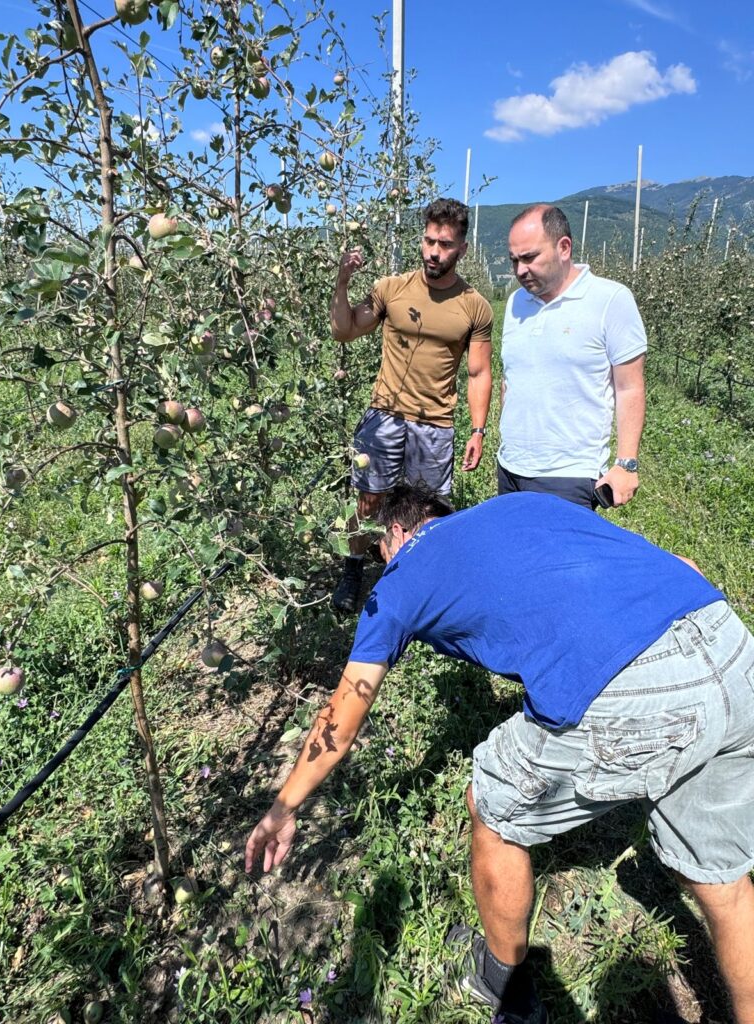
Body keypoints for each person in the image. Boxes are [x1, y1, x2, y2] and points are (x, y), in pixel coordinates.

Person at [245, 483, 754, 1024]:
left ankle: (500, 980)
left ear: (396, 532)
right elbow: (683, 562)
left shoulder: (401, 576)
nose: (381, 563)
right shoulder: (523, 506)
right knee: (722, 884)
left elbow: (342, 716)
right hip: (729, 642)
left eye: (379, 552)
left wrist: (283, 808)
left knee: (491, 807)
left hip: (630, 688)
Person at [329, 197, 493, 613]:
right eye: (429, 241)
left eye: (445, 244)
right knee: (368, 500)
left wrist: (478, 429)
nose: (434, 252)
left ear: (462, 249)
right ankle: (353, 568)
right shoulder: (392, 289)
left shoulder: (474, 307)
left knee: (426, 512)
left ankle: (417, 586)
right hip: (384, 416)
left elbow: (477, 373)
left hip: (434, 424)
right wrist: (342, 283)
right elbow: (344, 331)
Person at [499, 204, 647, 510]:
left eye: (529, 258)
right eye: (514, 260)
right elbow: (510, 377)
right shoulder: (516, 303)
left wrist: (627, 464)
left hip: (568, 475)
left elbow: (629, 387)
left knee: (556, 559)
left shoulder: (610, 300)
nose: (520, 270)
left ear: (563, 247)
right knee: (515, 556)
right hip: (510, 467)